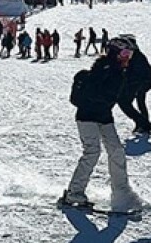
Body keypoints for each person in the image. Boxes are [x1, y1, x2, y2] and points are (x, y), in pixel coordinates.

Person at [61, 38, 143, 213]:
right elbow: (102, 93)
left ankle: (122, 194)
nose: (128, 57)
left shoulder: (118, 71)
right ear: (115, 53)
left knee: (116, 151)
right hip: (87, 116)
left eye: (130, 54)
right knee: (92, 152)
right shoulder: (105, 69)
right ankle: (74, 193)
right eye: (125, 54)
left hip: (104, 116)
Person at [117, 35, 151, 134]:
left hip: (141, 83)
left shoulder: (136, 56)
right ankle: (142, 123)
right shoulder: (134, 55)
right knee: (140, 102)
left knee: (129, 102)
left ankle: (143, 123)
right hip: (141, 83)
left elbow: (145, 70)